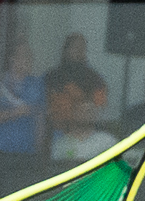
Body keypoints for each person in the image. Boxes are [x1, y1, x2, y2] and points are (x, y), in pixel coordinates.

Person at [0, 39, 44, 199]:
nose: (28, 60)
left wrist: (39, 149)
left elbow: (40, 118)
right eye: (24, 56)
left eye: (30, 56)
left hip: (27, 155)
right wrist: (15, 113)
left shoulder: (37, 85)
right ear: (13, 59)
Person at [43, 32, 111, 161]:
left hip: (87, 134)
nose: (80, 51)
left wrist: (82, 99)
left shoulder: (95, 79)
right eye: (76, 47)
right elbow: (47, 107)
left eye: (83, 48)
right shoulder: (52, 77)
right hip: (58, 133)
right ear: (66, 50)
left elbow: (100, 107)